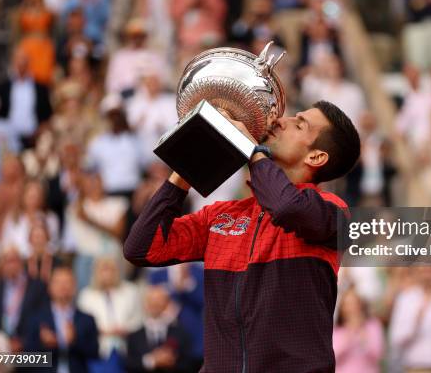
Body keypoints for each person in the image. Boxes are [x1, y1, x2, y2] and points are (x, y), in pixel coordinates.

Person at [125, 101, 361, 372]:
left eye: (299, 124)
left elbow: (285, 207)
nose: (280, 121)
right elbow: (142, 248)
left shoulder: (332, 212)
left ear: (316, 157)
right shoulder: (221, 216)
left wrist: (253, 151)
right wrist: (186, 168)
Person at [24, 267, 99, 373]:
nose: (63, 286)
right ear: (49, 287)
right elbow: (26, 360)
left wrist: (74, 341)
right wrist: (45, 345)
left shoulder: (87, 320)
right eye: (58, 282)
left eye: (67, 282)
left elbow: (94, 354)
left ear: (75, 287)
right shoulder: (36, 319)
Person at [0, 247, 49, 352]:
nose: (11, 265)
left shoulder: (37, 286)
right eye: (7, 261)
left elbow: (43, 317)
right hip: (2, 348)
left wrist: (23, 342)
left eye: (14, 260)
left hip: (30, 347)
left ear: (21, 262)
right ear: (2, 265)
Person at [125, 285, 195, 373]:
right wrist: (151, 361)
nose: (155, 304)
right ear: (145, 305)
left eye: (159, 301)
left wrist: (170, 361)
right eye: (151, 301)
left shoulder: (181, 333)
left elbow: (189, 363)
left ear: (167, 304)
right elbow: (129, 364)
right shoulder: (134, 336)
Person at [333, 288, 385, 373]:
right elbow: (334, 356)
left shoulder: (373, 325)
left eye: (355, 303)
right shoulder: (337, 330)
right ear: (342, 308)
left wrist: (362, 334)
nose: (352, 308)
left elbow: (378, 354)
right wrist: (349, 333)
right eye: (348, 304)